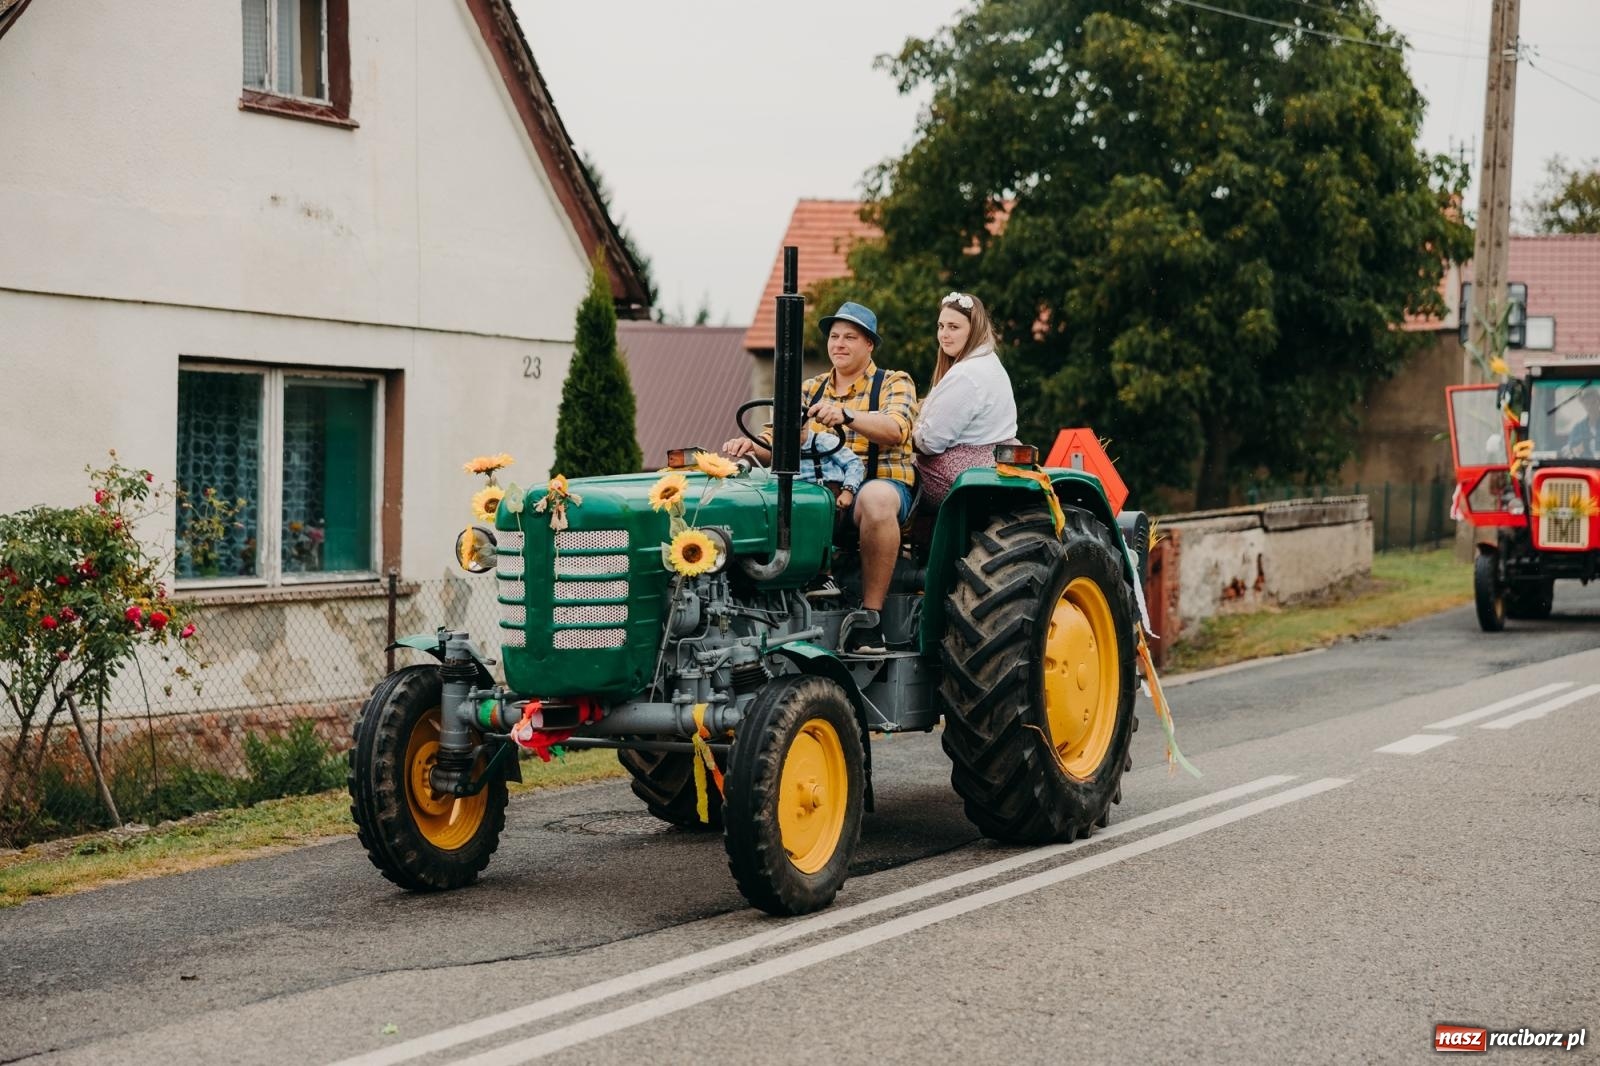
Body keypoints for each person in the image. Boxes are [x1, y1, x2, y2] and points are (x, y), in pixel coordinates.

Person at [723, 301, 917, 654]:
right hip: (819, 491)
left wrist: (845, 414)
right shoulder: (809, 388)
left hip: (877, 489)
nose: (839, 344)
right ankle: (771, 610)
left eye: (850, 337)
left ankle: (869, 619)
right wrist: (750, 445)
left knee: (875, 498)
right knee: (765, 496)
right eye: (834, 336)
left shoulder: (894, 382)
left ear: (869, 344)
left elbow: (896, 429)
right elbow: (778, 439)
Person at [912, 292, 1018, 504]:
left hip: (962, 473)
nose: (944, 334)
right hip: (995, 461)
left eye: (954, 327)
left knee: (891, 479)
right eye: (941, 326)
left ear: (974, 329)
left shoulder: (966, 374)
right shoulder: (989, 360)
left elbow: (930, 443)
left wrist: (901, 434)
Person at [797, 423, 865, 511]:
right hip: (795, 495)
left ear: (806, 425)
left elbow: (853, 463)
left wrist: (848, 491)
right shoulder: (778, 447)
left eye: (801, 430)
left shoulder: (823, 441)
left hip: (826, 495)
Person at [1561, 388, 1600, 458]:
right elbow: (1568, 451)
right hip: (1583, 466)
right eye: (1587, 403)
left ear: (1599, 401)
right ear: (1583, 404)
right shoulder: (1577, 429)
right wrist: (1577, 449)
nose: (1590, 406)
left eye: (1593, 402)